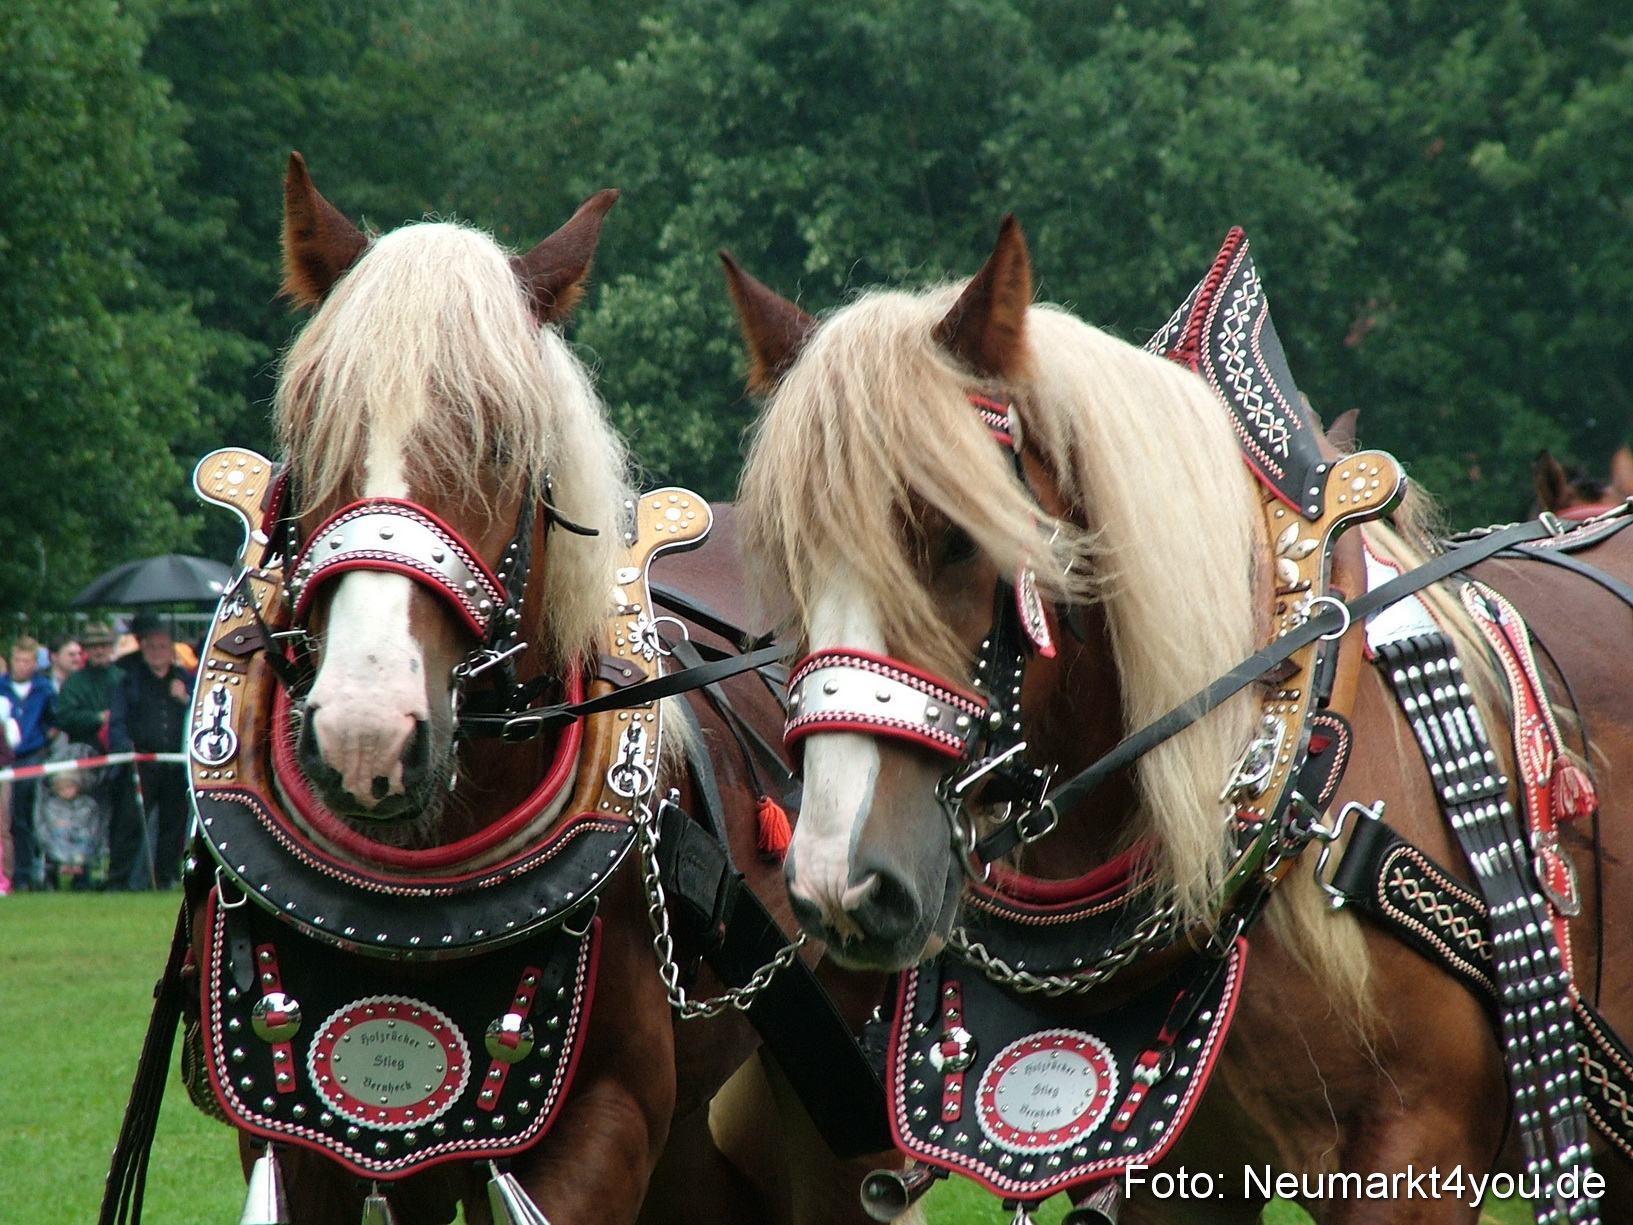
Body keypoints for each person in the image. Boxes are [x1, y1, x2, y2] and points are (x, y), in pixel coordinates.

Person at [108, 613, 193, 889]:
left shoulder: (185, 680)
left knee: (172, 826)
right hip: (141, 762)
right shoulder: (129, 681)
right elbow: (117, 721)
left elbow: (199, 715)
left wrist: (185, 699)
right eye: (151, 647)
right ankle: (118, 880)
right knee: (129, 825)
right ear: (143, 648)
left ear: (171, 650)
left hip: (174, 763)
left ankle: (166, 877)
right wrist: (125, 749)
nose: (157, 652)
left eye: (162, 647)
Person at [55, 622, 133, 885]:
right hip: (85, 759)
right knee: (85, 818)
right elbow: (64, 716)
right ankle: (82, 875)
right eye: (94, 646)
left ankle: (117, 875)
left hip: (118, 758)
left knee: (120, 819)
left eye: (104, 645)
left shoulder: (121, 677)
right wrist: (97, 718)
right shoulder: (75, 682)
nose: (100, 650)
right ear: (86, 649)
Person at [1, 636, 57, 890]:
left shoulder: (44, 689)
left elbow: (54, 720)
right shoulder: (2, 686)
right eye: (17, 660)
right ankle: (11, 872)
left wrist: (41, 738)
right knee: (9, 818)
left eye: (27, 660)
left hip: (31, 756)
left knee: (26, 816)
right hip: (5, 758)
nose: (21, 665)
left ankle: (27, 873)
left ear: (35, 663)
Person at [34, 745, 104, 891]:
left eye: (69, 787)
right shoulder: (51, 806)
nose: (66, 792)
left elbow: (93, 827)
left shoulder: (88, 805)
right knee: (54, 852)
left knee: (84, 852)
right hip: (57, 841)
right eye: (62, 788)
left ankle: (81, 882)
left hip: (82, 843)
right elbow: (45, 826)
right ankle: (52, 880)